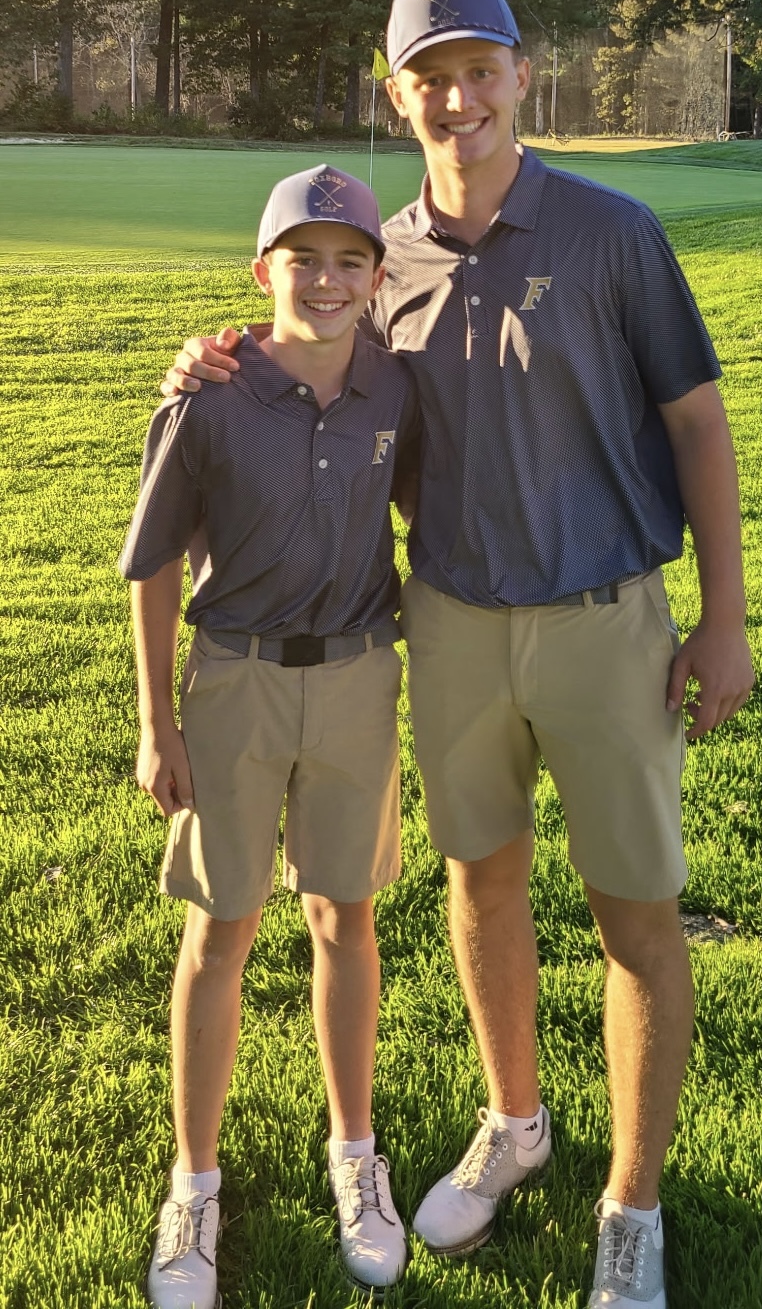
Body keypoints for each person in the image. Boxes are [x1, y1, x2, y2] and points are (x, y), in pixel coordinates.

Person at [163, 0, 755, 1308]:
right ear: (397, 95)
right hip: (444, 622)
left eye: (479, 67)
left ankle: (629, 1208)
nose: (458, 96)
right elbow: (311, 371)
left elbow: (697, 426)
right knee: (478, 882)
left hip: (606, 622)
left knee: (633, 918)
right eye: (430, 74)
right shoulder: (382, 264)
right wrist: (209, 367)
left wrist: (721, 618)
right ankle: (515, 1120)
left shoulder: (612, 233)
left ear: (519, 76)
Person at [121, 165, 421, 1307]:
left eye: (352, 260)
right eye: (305, 257)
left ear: (377, 279)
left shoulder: (399, 389)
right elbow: (151, 569)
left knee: (345, 915)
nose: (329, 279)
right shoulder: (207, 394)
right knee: (222, 927)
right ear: (264, 272)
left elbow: (439, 504)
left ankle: (357, 1152)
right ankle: (193, 1181)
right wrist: (158, 722)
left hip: (356, 681)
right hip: (233, 683)